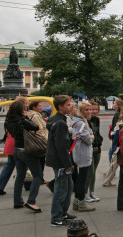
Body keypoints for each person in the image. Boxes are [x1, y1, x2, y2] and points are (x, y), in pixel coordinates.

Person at [46, 95, 77, 226]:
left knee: (68, 187)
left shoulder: (57, 120)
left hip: (59, 160)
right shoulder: (60, 123)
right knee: (61, 189)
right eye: (68, 105)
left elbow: (61, 141)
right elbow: (60, 146)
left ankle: (62, 212)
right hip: (60, 162)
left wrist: (70, 138)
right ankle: (56, 217)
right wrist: (67, 164)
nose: (70, 107)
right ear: (60, 107)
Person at [7, 101, 41, 212]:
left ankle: (17, 201)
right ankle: (31, 201)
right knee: (37, 175)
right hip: (26, 150)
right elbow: (36, 127)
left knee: (20, 176)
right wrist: (27, 118)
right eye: (24, 109)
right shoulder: (22, 121)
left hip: (16, 150)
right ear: (20, 110)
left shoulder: (9, 121)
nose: (25, 110)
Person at [71, 102, 95, 212]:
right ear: (81, 110)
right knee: (82, 179)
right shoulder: (81, 123)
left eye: (90, 109)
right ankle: (81, 202)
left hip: (79, 152)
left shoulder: (77, 121)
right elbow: (88, 140)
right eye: (86, 110)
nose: (89, 112)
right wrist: (91, 136)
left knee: (81, 178)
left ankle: (77, 200)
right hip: (83, 153)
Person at [103, 106, 123, 186]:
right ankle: (107, 180)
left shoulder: (120, 122)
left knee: (114, 164)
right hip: (118, 147)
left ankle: (108, 180)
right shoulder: (122, 124)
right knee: (114, 164)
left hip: (117, 146)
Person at [85, 101, 103, 202]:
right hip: (89, 148)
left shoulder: (96, 119)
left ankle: (91, 192)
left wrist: (99, 141)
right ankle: (85, 193)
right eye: (92, 109)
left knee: (94, 171)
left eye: (96, 109)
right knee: (90, 171)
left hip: (97, 147)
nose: (94, 111)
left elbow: (97, 133)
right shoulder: (85, 120)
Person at [28, 100, 49, 184]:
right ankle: (39, 179)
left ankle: (38, 178)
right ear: (34, 107)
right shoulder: (35, 116)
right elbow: (40, 130)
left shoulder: (33, 114)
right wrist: (46, 140)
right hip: (40, 142)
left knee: (38, 161)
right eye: (39, 106)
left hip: (35, 141)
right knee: (41, 161)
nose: (41, 107)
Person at [0, 119, 16, 195]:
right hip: (16, 145)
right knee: (24, 167)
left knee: (9, 165)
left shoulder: (10, 120)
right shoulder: (20, 120)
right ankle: (27, 184)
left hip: (10, 144)